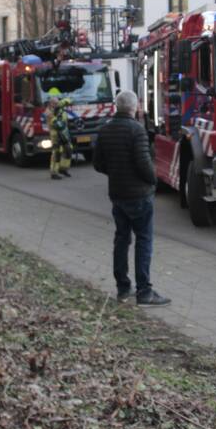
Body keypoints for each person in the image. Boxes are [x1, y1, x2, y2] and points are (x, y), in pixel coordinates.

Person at [92, 90, 170, 307]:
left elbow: (98, 164)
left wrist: (116, 172)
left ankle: (123, 289)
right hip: (139, 195)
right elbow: (144, 164)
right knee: (144, 241)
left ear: (117, 106)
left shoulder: (105, 130)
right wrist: (154, 180)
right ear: (134, 107)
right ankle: (144, 292)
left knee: (121, 240)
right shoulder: (137, 130)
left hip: (117, 194)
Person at [45, 88, 72, 180]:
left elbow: (69, 100)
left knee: (68, 150)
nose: (56, 105)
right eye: (54, 103)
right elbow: (57, 123)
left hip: (64, 134)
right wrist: (62, 123)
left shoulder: (59, 108)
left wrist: (63, 102)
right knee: (57, 153)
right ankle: (54, 172)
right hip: (56, 135)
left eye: (57, 103)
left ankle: (63, 168)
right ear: (50, 104)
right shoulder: (49, 112)